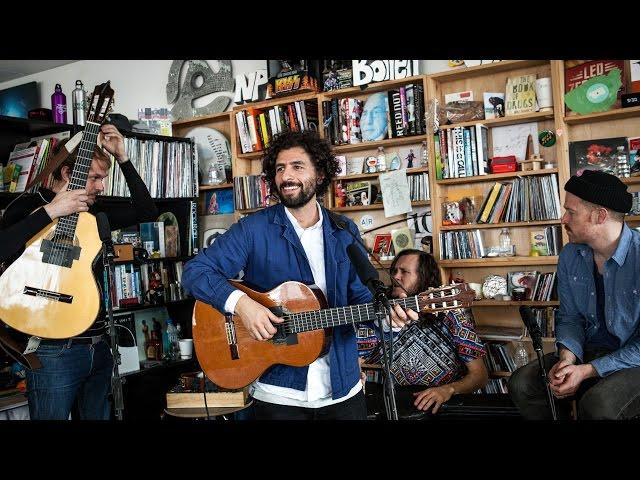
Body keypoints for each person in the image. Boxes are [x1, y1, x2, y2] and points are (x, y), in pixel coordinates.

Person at [183, 130, 380, 420]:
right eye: (279, 168)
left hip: (343, 388)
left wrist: (388, 315)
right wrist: (242, 305)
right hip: (278, 395)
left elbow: (362, 299)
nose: (286, 176)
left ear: (321, 174)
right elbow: (195, 272)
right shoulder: (253, 229)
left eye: (297, 166)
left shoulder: (344, 231)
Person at [0, 124, 158, 420]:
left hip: (98, 346)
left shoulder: (95, 212)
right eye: (95, 178)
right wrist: (51, 212)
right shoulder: (30, 207)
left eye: (103, 179)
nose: (101, 186)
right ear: (67, 173)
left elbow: (148, 211)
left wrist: (123, 157)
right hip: (51, 350)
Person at [508, 170, 640, 420]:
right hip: (590, 349)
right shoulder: (570, 255)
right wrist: (568, 359)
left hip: (633, 357)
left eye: (571, 212)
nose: (563, 218)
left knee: (599, 403)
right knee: (522, 383)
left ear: (599, 215)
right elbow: (570, 317)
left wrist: (589, 370)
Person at [359, 249, 488, 415]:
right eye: (394, 271)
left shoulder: (452, 313)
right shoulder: (379, 309)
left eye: (404, 272)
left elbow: (480, 376)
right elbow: (356, 356)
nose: (395, 277)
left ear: (424, 277)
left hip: (441, 402)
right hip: (393, 401)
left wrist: (447, 390)